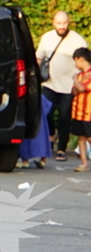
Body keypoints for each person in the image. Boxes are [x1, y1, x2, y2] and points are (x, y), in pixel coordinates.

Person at [36, 11, 88, 161]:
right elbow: (39, 58)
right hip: (50, 83)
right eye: (59, 23)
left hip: (68, 86)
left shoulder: (77, 40)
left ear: (69, 22)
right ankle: (51, 136)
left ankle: (61, 150)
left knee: (65, 118)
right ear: (53, 22)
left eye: (64, 23)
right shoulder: (47, 38)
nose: (62, 26)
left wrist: (80, 82)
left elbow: (85, 63)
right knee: (45, 113)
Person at [71, 47, 91, 172]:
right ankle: (84, 163)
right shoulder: (79, 76)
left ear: (81, 59)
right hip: (78, 112)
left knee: (90, 137)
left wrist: (75, 81)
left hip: (88, 112)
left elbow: (83, 89)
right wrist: (77, 83)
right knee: (81, 137)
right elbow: (74, 91)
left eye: (76, 61)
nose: (75, 64)